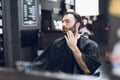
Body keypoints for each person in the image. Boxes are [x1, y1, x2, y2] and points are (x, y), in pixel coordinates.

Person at [32, 12, 101, 75]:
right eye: (62, 22)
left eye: (67, 22)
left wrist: (74, 47)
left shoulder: (89, 45)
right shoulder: (56, 44)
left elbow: (87, 70)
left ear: (77, 25)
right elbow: (40, 63)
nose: (63, 24)